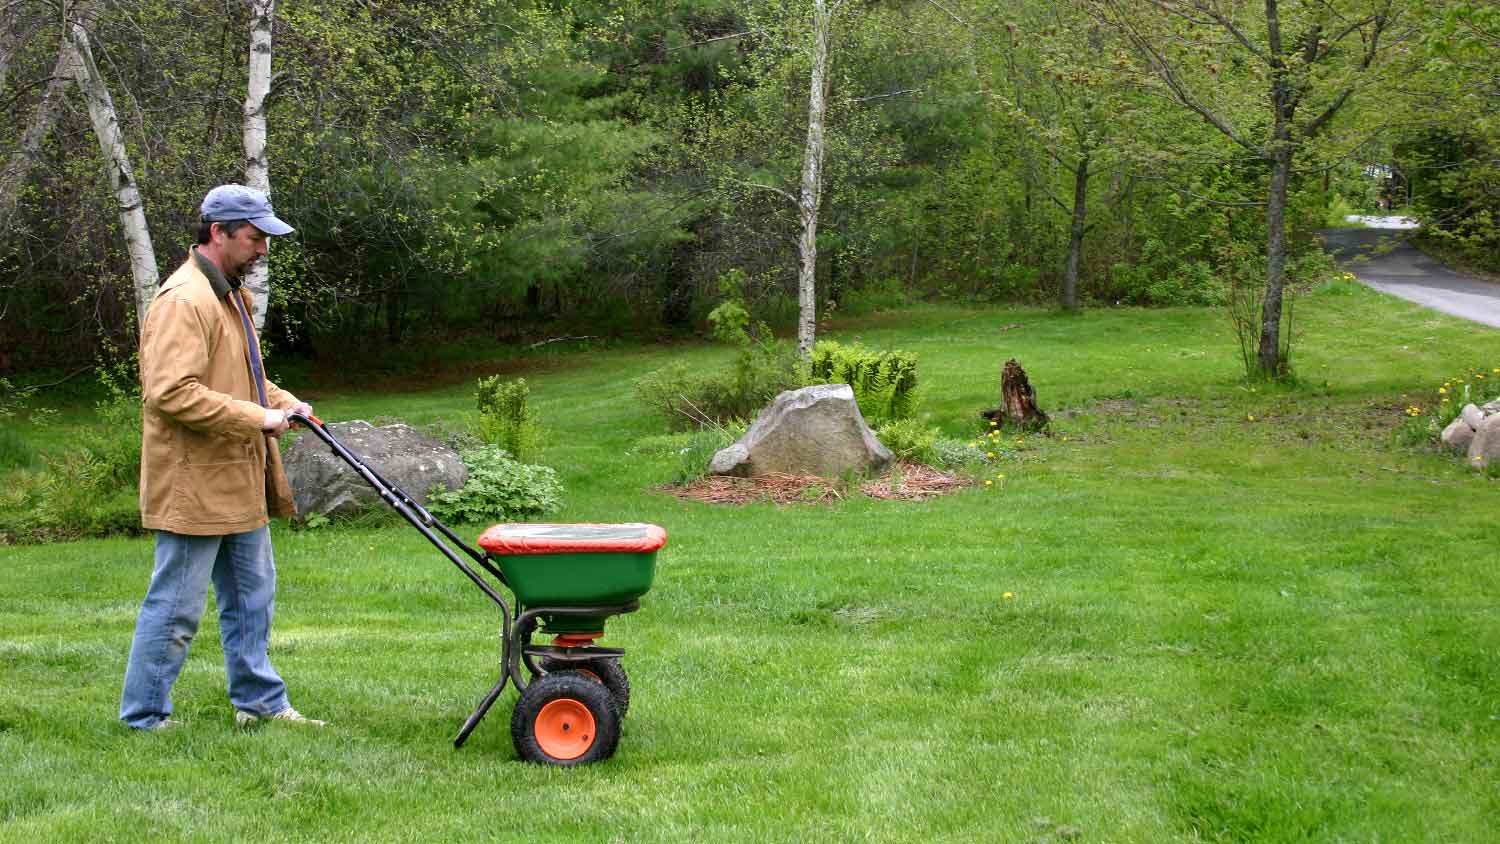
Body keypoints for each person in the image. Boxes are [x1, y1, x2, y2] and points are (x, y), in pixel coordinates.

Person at [120, 184, 323, 731]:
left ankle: (259, 703)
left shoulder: (229, 293)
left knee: (253, 599)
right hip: (194, 486)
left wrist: (285, 403)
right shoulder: (185, 301)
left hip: (238, 480)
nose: (262, 249)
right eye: (255, 238)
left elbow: (242, 378)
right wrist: (259, 418)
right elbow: (171, 392)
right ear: (219, 232)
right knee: (177, 608)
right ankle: (144, 715)